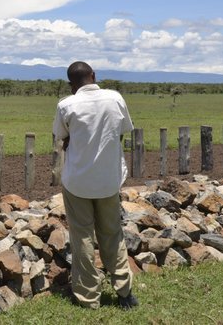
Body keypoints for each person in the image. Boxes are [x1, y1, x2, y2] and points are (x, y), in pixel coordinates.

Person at [52, 61, 138, 310]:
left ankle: (89, 298)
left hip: (77, 182)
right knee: (112, 234)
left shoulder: (66, 104)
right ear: (94, 76)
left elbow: (62, 137)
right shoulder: (115, 98)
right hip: (108, 180)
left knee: (82, 237)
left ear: (71, 84)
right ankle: (124, 293)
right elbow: (122, 130)